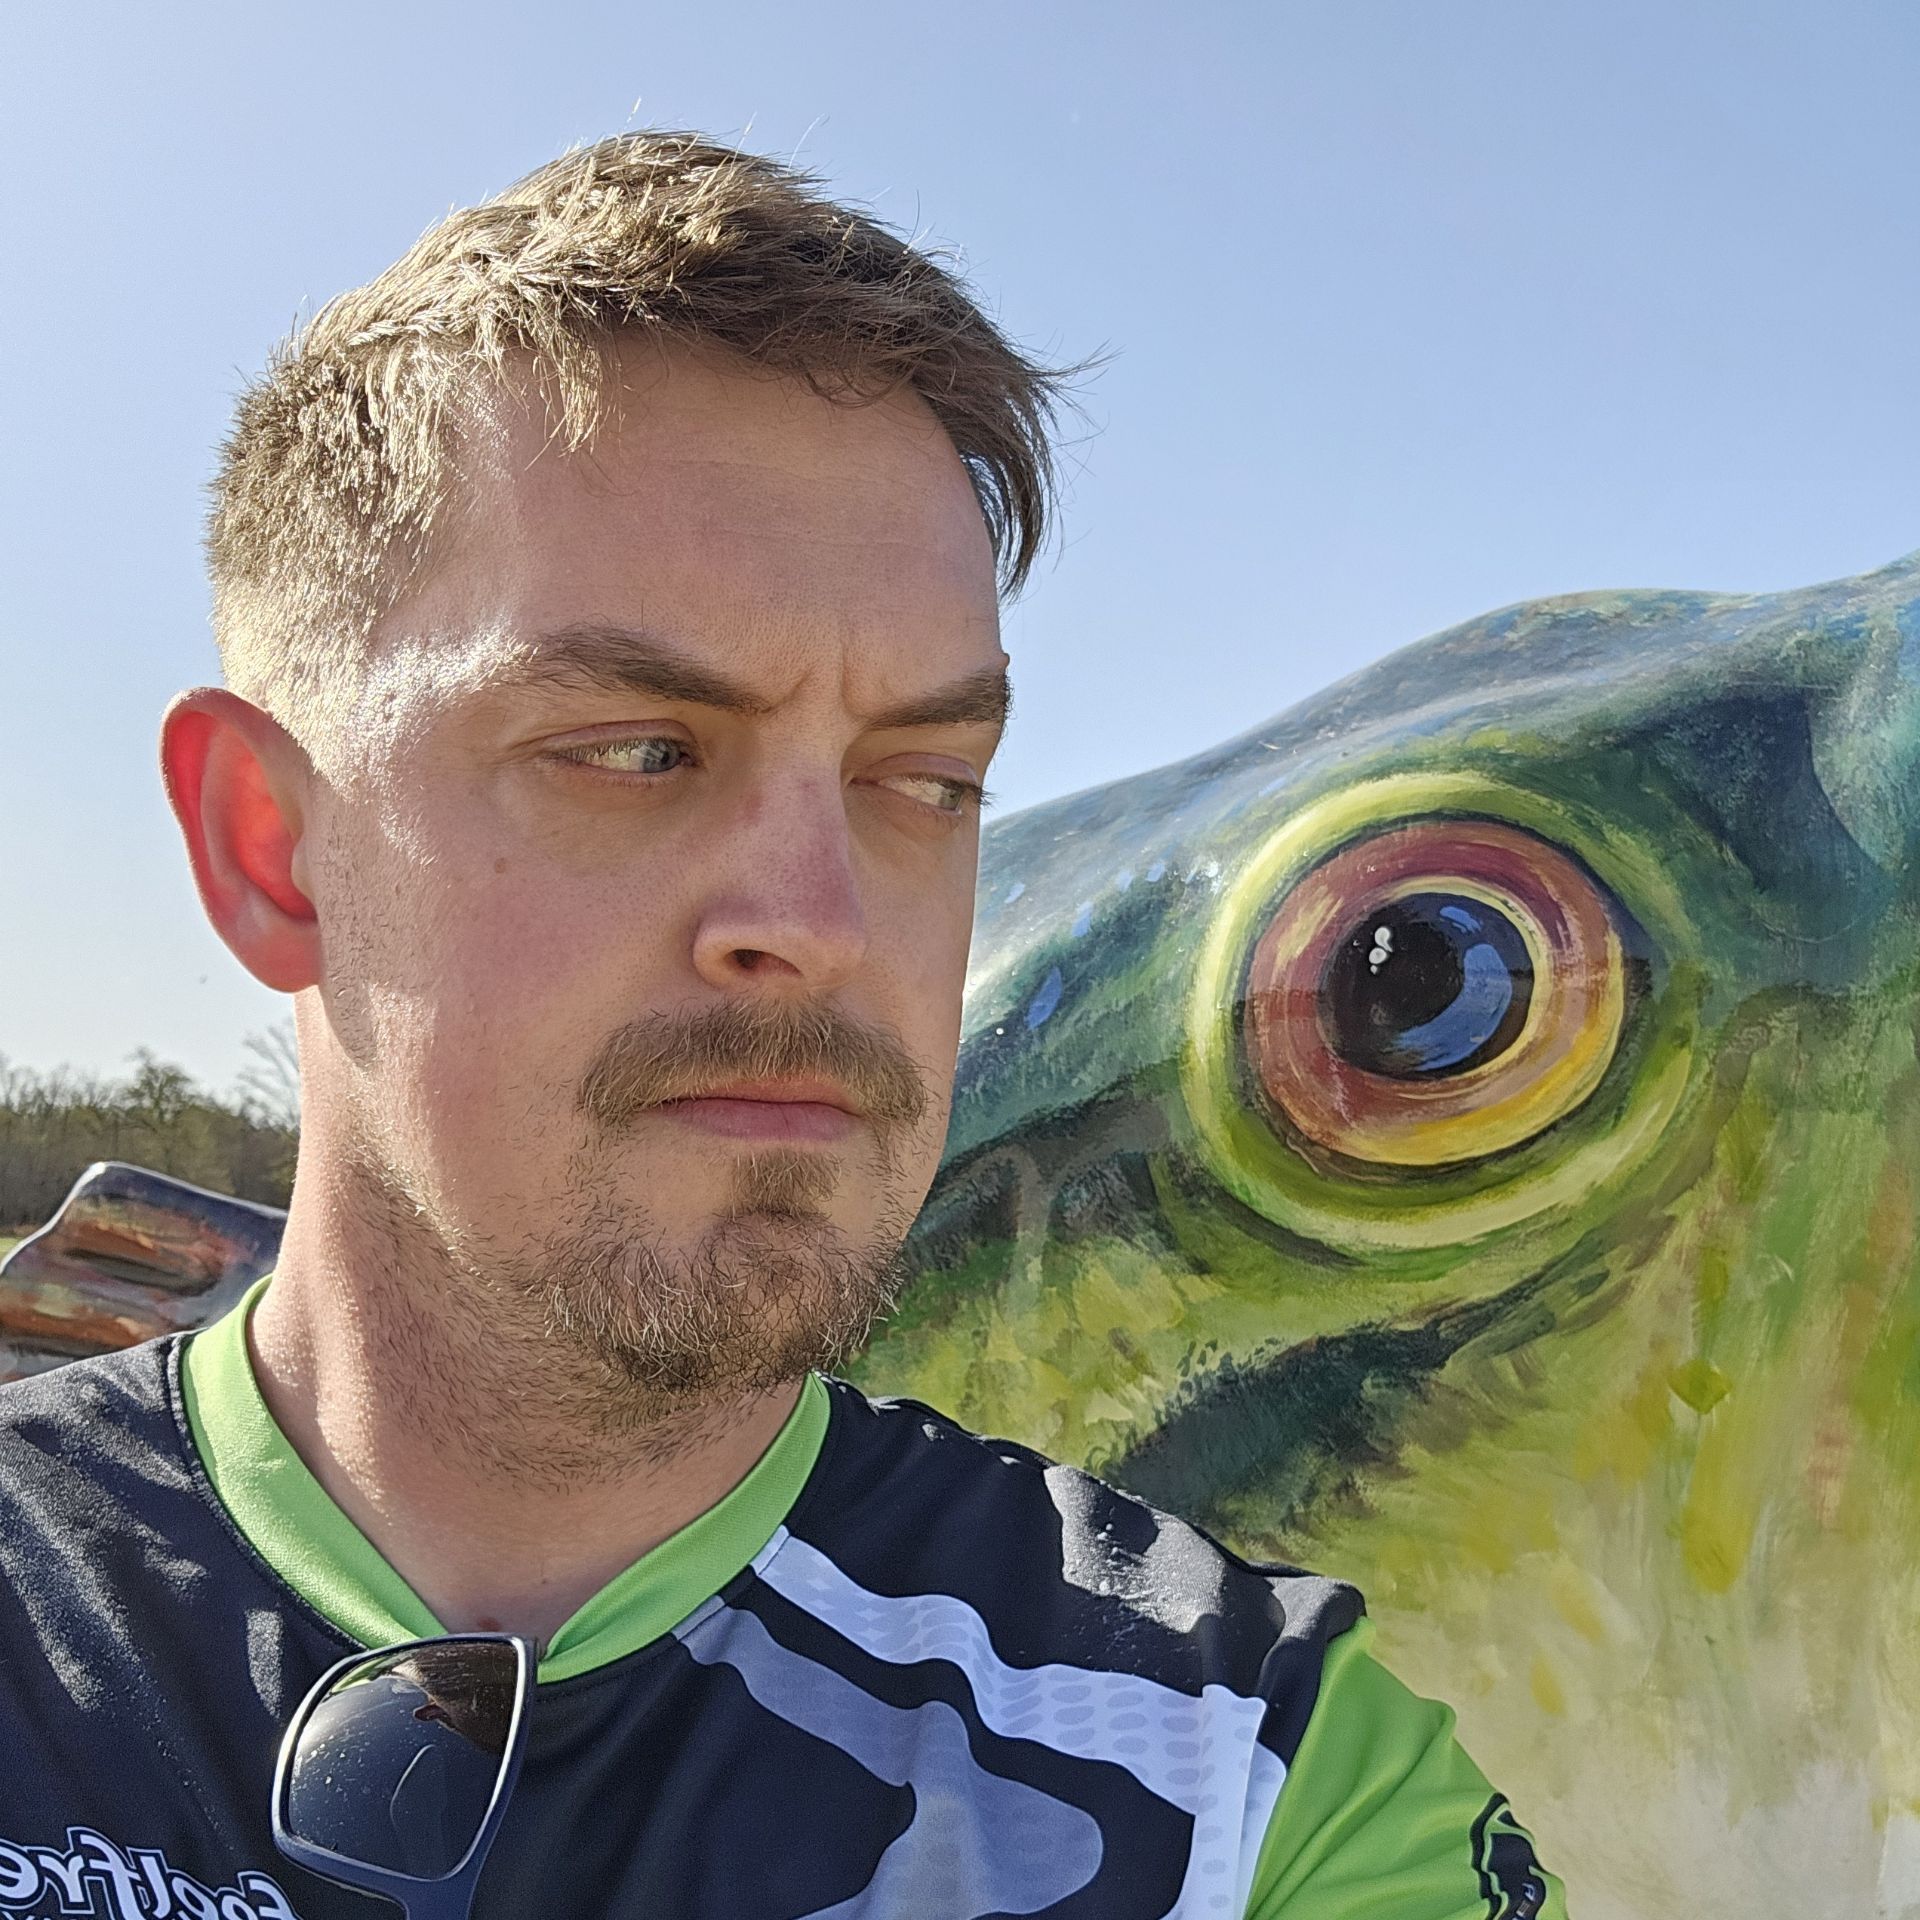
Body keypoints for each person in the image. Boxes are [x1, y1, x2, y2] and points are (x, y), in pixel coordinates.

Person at [0, 132, 1564, 1918]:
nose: (820, 925)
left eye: (926, 777)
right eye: (637, 751)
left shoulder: (1253, 1788)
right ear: (270, 849)